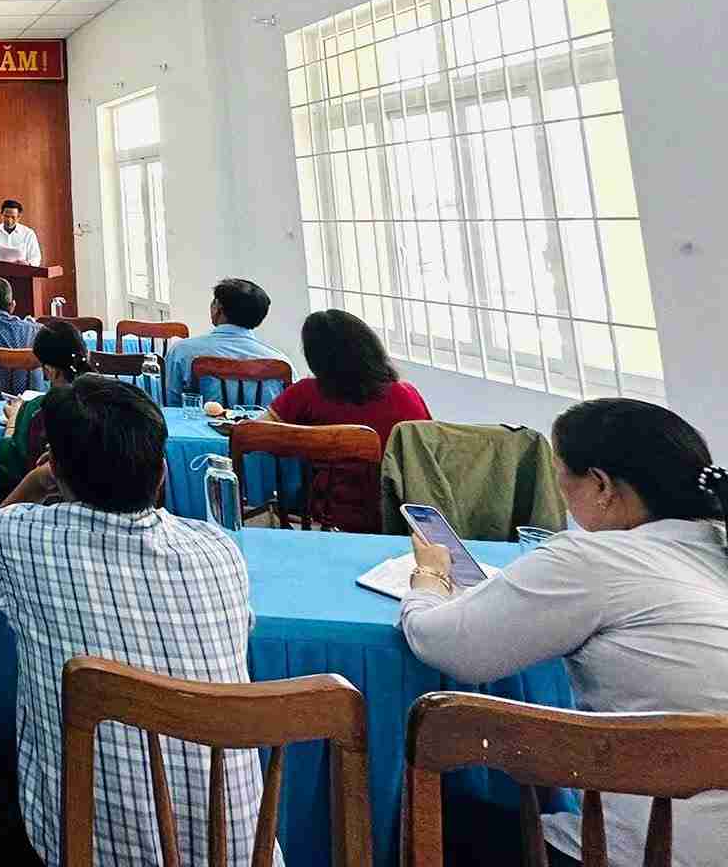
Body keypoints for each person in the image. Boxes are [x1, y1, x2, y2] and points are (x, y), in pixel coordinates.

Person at [400, 398, 728, 867]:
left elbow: (448, 644)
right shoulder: (715, 545)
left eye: (561, 476)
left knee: (433, 809)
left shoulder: (596, 560)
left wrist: (428, 581)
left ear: (601, 485)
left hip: (650, 851)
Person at [0, 377, 265, 865]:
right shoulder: (220, 550)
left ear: (55, 469)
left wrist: (32, 484)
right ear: (162, 473)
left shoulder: (18, 534)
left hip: (86, 848)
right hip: (241, 850)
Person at [270, 308, 431, 448]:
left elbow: (252, 432)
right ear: (371, 345)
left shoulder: (305, 393)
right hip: (399, 483)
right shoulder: (407, 393)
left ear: (316, 357)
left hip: (332, 483)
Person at [0, 320, 92, 506]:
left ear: (50, 371)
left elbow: (7, 460)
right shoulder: (113, 402)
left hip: (47, 508)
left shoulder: (38, 410)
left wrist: (13, 420)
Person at [166, 276, 289, 405]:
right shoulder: (282, 362)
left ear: (218, 308)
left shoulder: (182, 351)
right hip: (263, 425)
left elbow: (170, 405)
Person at [0, 198, 42, 266]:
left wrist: (28, 264)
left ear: (19, 217)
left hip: (22, 272)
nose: (9, 220)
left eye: (13, 217)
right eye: (6, 216)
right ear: (1, 214)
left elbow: (36, 257)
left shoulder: (28, 233)